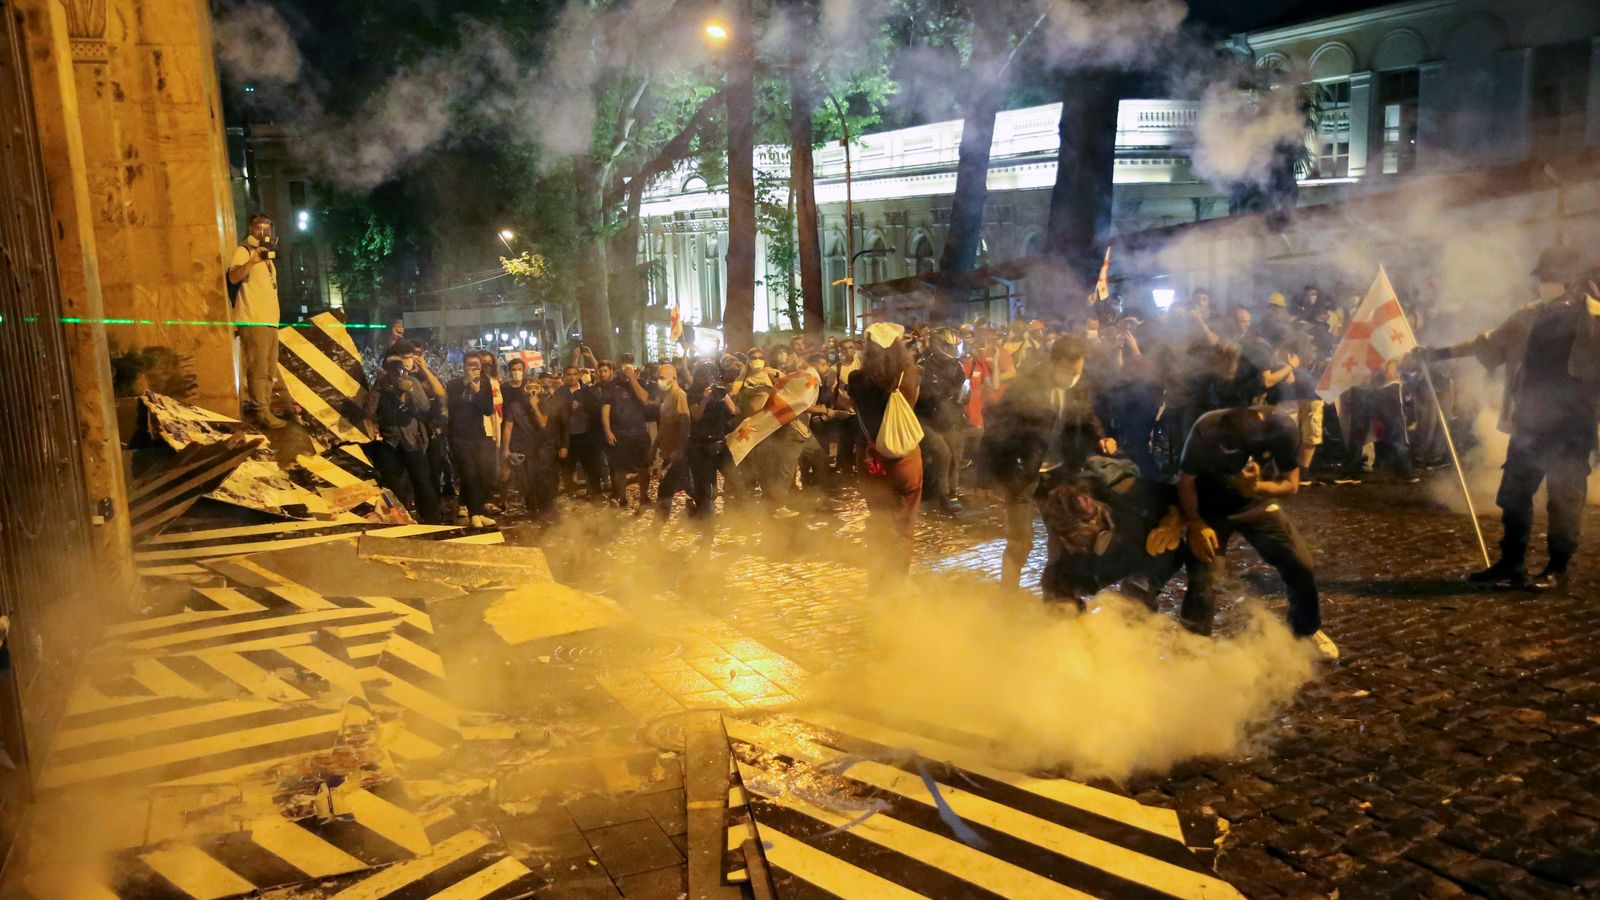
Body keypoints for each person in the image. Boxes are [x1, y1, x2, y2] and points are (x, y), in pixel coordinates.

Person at [1420, 246, 1600, 592]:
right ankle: (1511, 563)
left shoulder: (1595, 319)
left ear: (1568, 279)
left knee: (1564, 499)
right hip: (1530, 424)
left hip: (1571, 427)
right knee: (1514, 494)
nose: (1543, 285)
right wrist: (1436, 354)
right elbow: (1485, 343)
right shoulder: (1527, 317)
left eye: (1548, 278)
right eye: (1542, 279)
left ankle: (1557, 568)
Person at [1177, 406, 1338, 659]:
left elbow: (1290, 485)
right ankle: (1193, 649)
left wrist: (1256, 487)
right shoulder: (1205, 429)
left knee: (1300, 563)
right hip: (1209, 507)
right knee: (1203, 577)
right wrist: (1195, 523)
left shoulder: (1282, 429)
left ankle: (1305, 631)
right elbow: (1186, 482)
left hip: (1255, 503)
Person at [979, 335, 1116, 591]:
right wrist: (985, 476)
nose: (1072, 378)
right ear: (1054, 363)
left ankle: (1055, 595)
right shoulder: (1025, 387)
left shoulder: (1079, 385)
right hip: (1022, 471)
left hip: (1060, 471)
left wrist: (1101, 438)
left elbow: (1086, 416)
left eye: (1077, 371)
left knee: (1062, 538)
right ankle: (1007, 595)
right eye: (1068, 371)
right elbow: (996, 429)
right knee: (1021, 541)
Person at [850, 322, 923, 579]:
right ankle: (898, 582)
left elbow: (855, 407)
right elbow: (913, 402)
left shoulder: (856, 379)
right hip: (904, 457)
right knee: (904, 525)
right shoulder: (911, 373)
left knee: (879, 516)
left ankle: (880, 574)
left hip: (870, 456)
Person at [364, 347, 440, 524]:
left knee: (421, 480)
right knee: (392, 482)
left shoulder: (411, 381)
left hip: (412, 440)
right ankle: (399, 517)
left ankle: (431, 518)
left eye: (399, 370)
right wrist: (378, 386)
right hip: (390, 441)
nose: (396, 374)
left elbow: (424, 408)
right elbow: (368, 412)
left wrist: (410, 390)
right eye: (392, 370)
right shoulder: (381, 388)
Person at [227, 213, 286, 428]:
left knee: (270, 368)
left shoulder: (269, 257)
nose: (266, 233)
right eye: (261, 229)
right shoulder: (243, 251)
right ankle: (260, 411)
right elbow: (233, 277)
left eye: (268, 229)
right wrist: (252, 261)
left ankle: (266, 407)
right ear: (251, 229)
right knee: (258, 368)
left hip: (270, 320)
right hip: (253, 319)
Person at [916, 327, 968, 516]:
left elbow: (961, 392)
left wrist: (960, 402)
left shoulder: (957, 366)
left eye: (955, 345)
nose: (953, 349)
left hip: (948, 419)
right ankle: (943, 495)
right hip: (926, 420)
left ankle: (953, 492)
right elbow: (919, 397)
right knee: (943, 454)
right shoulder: (923, 366)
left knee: (956, 454)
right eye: (948, 345)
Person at [446, 353, 498, 527]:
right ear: (464, 366)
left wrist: (477, 392)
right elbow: (452, 407)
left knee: (482, 472)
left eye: (477, 365)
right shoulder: (453, 385)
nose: (474, 368)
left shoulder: (484, 384)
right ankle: (474, 513)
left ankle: (478, 511)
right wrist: (466, 386)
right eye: (470, 365)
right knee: (468, 474)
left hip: (479, 435)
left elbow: (487, 409)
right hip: (460, 436)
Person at [601, 355, 653, 510]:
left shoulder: (640, 382)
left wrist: (633, 379)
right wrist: (608, 431)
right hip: (620, 432)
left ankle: (644, 496)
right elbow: (605, 410)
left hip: (639, 431)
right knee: (619, 468)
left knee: (644, 466)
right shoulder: (611, 386)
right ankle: (622, 497)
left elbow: (644, 398)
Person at [557, 364, 608, 502]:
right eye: (569, 374)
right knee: (568, 468)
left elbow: (596, 408)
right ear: (564, 376)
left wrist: (582, 406)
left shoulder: (587, 391)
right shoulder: (560, 393)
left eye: (574, 374)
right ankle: (570, 495)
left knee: (591, 465)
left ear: (578, 375)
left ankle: (595, 493)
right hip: (569, 436)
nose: (572, 377)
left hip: (587, 434)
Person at [652, 362, 693, 513]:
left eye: (662, 377)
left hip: (676, 453)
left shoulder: (678, 395)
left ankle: (658, 526)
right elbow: (665, 425)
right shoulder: (667, 397)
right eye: (658, 378)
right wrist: (655, 446)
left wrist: (679, 449)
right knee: (674, 488)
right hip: (669, 452)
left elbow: (685, 423)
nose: (659, 381)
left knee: (665, 490)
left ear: (674, 378)